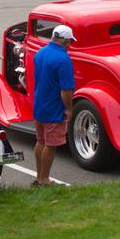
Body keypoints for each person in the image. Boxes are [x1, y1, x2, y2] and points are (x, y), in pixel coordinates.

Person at [31, 24, 75, 187]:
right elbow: (66, 90)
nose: (70, 45)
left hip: (39, 105)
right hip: (54, 108)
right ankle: (45, 179)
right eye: (70, 41)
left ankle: (38, 177)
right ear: (65, 41)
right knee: (51, 144)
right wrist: (69, 109)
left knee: (40, 141)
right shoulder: (63, 59)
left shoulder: (40, 53)